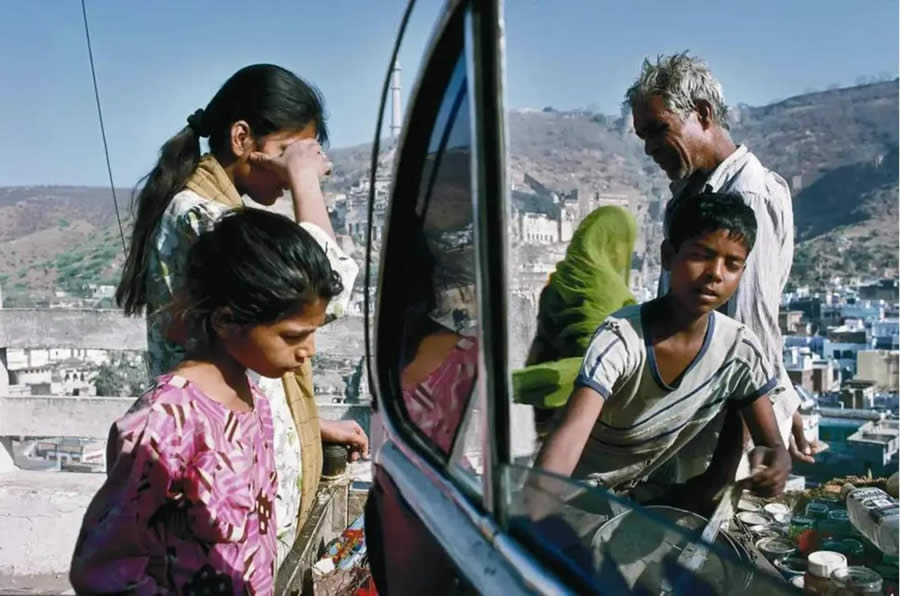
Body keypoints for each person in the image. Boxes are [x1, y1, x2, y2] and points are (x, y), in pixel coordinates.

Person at [113, 64, 367, 567]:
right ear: (242, 137)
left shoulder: (219, 214)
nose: (312, 163)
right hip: (219, 506)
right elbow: (326, 287)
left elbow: (249, 360)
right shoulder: (201, 217)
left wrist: (303, 424)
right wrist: (304, 184)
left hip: (250, 491)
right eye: (292, 149)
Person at [71, 209, 344, 594]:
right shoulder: (165, 422)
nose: (308, 352)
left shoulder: (255, 404)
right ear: (226, 321)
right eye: (292, 336)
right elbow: (102, 566)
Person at [534, 192, 791, 504]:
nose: (715, 273)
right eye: (701, 255)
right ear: (668, 255)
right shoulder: (622, 338)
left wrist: (775, 465)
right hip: (578, 497)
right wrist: (538, 505)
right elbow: (570, 435)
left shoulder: (740, 350)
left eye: (732, 264)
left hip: (648, 502)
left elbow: (774, 444)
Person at [624, 52, 814, 471]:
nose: (651, 148)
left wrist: (740, 454)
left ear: (703, 114)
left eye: (659, 130)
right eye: (643, 137)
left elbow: (749, 329)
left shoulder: (745, 197)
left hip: (723, 435)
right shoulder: (693, 193)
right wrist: (785, 399)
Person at [513, 206, 638, 438]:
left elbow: (542, 345)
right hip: (582, 416)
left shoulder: (560, 281)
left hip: (542, 415)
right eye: (625, 243)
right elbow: (595, 363)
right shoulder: (608, 290)